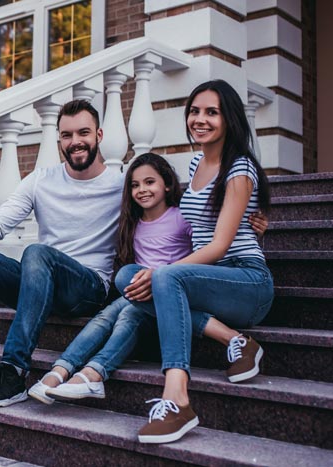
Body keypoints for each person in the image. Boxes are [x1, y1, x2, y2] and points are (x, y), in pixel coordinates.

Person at [0, 99, 125, 407]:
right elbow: (0, 220)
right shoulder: (42, 180)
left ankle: (14, 370)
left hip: (87, 288)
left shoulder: (121, 185)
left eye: (83, 133)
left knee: (37, 253)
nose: (75, 142)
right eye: (67, 135)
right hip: (40, 284)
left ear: (99, 135)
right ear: (59, 139)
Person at [27, 154, 267, 404]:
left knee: (128, 306)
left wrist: (255, 223)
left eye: (150, 182)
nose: (142, 190)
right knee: (112, 308)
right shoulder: (131, 224)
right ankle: (62, 370)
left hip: (171, 294)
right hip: (142, 295)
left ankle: (90, 373)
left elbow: (217, 236)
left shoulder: (182, 216)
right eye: (135, 185)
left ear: (166, 184)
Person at [137, 79, 274, 444]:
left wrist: (166, 271)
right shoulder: (197, 161)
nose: (200, 119)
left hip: (246, 280)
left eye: (211, 112)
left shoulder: (240, 169)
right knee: (127, 280)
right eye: (195, 111)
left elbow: (220, 244)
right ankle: (234, 339)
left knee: (163, 280)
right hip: (209, 278)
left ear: (228, 118)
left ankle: (177, 397)